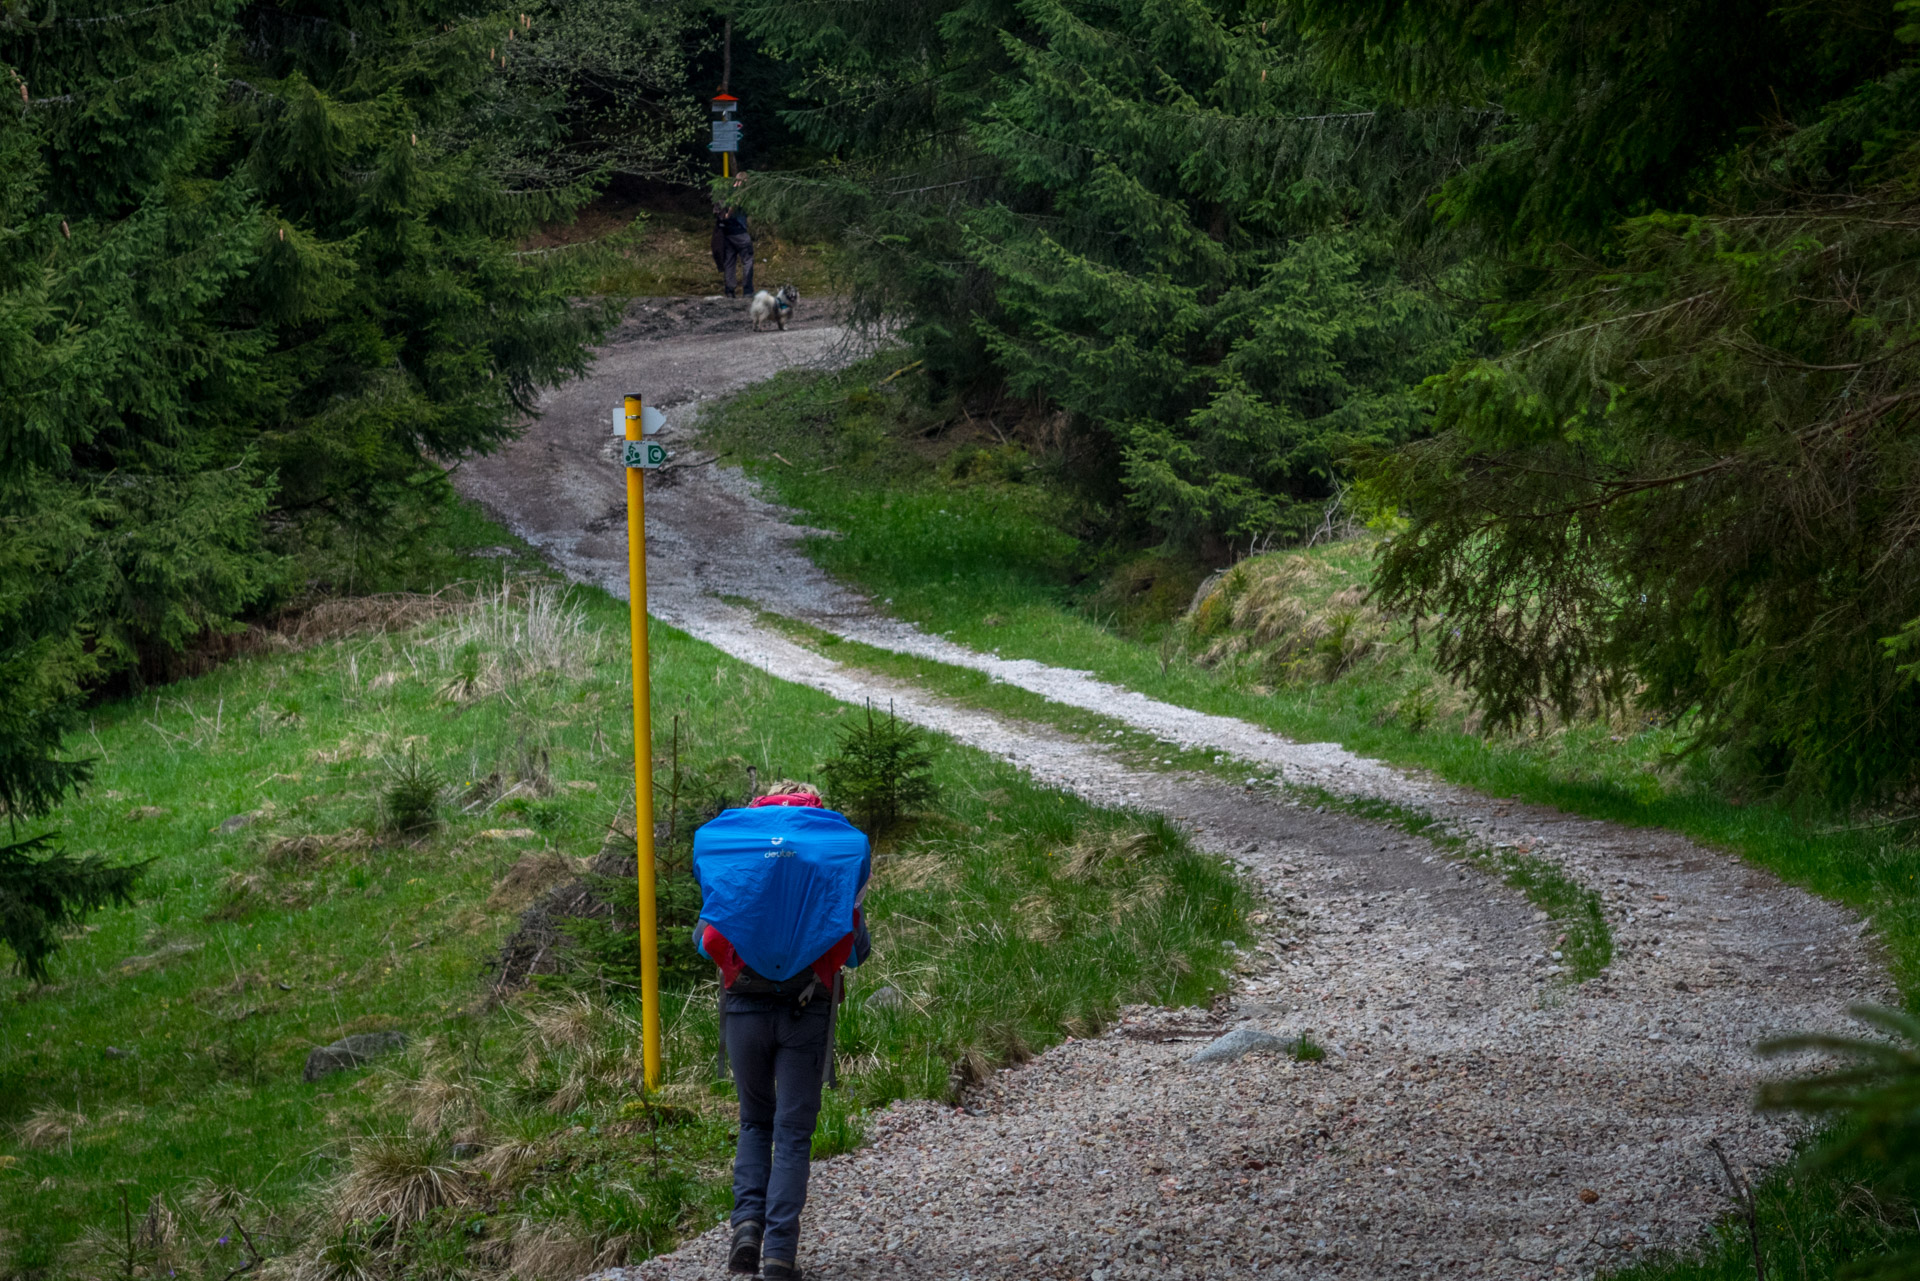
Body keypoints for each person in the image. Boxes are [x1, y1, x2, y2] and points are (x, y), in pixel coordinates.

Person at [693, 782, 871, 1279]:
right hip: (805, 1011)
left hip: (744, 1010)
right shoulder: (829, 857)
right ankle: (778, 1257)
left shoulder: (739, 854)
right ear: (817, 812)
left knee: (754, 1122)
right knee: (792, 1134)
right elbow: (855, 951)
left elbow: (704, 941)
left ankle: (746, 1229)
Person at [714, 202, 755, 299]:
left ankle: (729, 290)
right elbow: (736, 202)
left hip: (726, 232)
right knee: (748, 259)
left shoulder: (720, 193)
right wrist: (729, 214)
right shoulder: (736, 191)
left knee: (729, 261)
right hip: (739, 230)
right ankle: (748, 290)